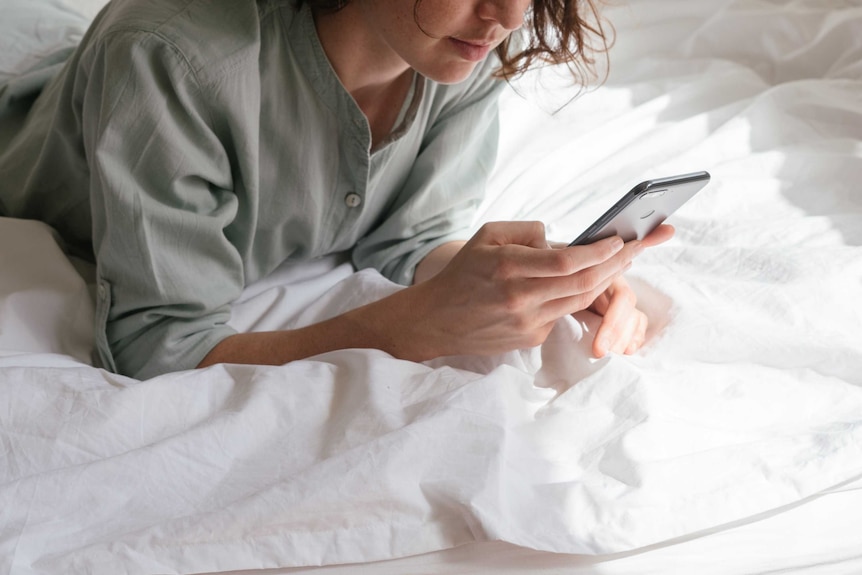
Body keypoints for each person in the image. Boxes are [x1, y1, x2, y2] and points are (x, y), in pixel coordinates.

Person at [0, 0, 672, 380]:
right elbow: (159, 344)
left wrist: (538, 277)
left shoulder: (461, 48)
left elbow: (410, 235)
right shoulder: (173, 60)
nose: (509, 14)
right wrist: (406, 327)